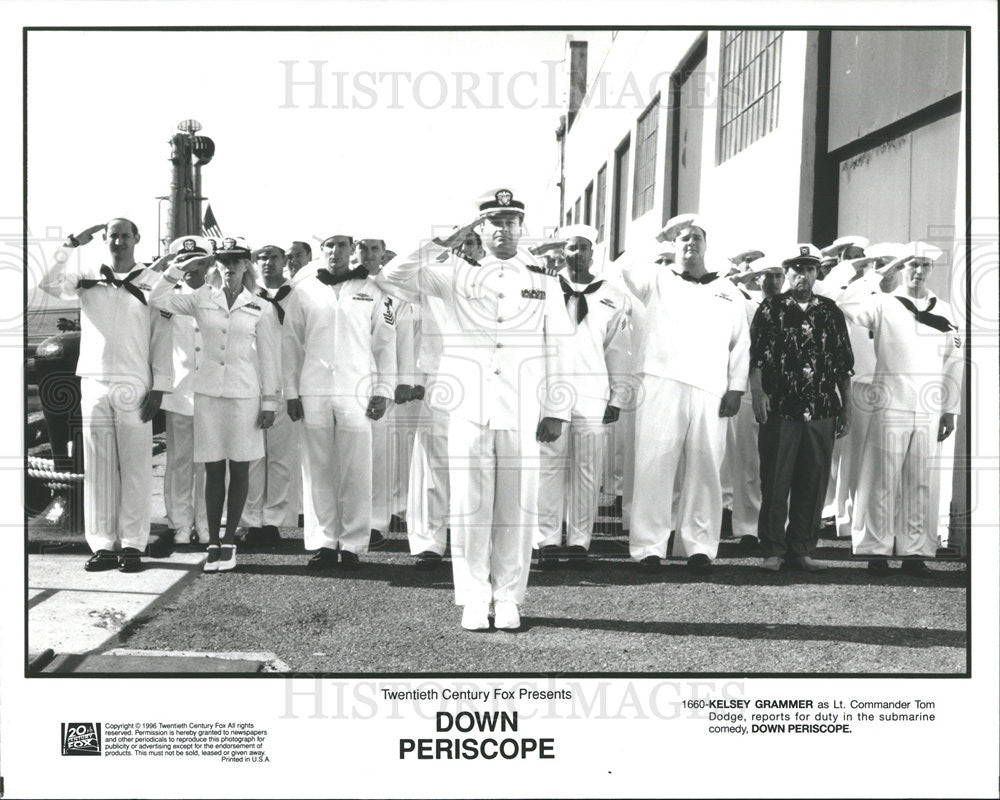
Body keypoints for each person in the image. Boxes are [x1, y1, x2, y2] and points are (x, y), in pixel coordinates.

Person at [375, 188, 574, 631]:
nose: (504, 229)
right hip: (469, 403)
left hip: (522, 404)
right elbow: (390, 276)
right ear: (479, 228)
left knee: (517, 506)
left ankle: (508, 597)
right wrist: (443, 242)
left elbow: (560, 343)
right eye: (495, 221)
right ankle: (472, 595)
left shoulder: (541, 277)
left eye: (512, 221)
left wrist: (558, 406)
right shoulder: (451, 273)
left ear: (521, 228)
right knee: (469, 504)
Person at [38, 219, 172, 573]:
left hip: (135, 381)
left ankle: (132, 544)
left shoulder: (153, 281)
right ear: (106, 240)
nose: (118, 241)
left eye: (125, 235)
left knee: (136, 466)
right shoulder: (88, 278)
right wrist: (69, 243)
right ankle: (103, 545)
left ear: (136, 239)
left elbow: (162, 337)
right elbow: (47, 283)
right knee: (98, 468)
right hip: (94, 380)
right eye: (113, 235)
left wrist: (159, 387)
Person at [622, 213, 749, 575]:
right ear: (673, 247)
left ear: (707, 245)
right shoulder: (657, 279)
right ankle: (649, 546)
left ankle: (699, 547)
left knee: (706, 468)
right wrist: (657, 237)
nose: (690, 243)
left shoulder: (727, 289)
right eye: (683, 239)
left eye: (696, 238)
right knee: (654, 463)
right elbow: (625, 266)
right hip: (662, 382)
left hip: (711, 389)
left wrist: (736, 388)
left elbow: (741, 343)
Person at [150, 237, 281, 573]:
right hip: (207, 394)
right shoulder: (200, 298)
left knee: (239, 469)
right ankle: (211, 542)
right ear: (216, 263)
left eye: (236, 259)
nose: (230, 265)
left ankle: (229, 541)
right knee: (212, 469)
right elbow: (157, 297)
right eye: (223, 259)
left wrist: (269, 401)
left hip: (244, 395)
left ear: (246, 264)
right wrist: (181, 266)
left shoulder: (260, 305)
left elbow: (269, 358)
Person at [833, 241, 963, 576]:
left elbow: (954, 362)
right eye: (911, 265)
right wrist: (878, 274)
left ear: (931, 269)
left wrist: (950, 408)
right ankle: (875, 549)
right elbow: (845, 303)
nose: (918, 271)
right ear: (902, 269)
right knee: (881, 478)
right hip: (890, 402)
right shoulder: (883, 303)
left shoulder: (947, 311)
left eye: (924, 265)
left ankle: (915, 550)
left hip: (928, 407)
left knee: (920, 481)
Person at [282, 233, 396, 570]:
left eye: (342, 245)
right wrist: (290, 392)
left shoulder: (373, 290)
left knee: (356, 469)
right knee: (318, 469)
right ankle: (324, 542)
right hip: (314, 389)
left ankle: (352, 544)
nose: (335, 252)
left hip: (356, 389)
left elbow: (385, 344)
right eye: (329, 246)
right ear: (322, 251)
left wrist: (383, 390)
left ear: (352, 249)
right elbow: (290, 344)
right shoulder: (304, 290)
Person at [749, 244, 854, 572]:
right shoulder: (770, 308)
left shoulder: (830, 311)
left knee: (813, 481)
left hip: (822, 408)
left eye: (809, 269)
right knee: (776, 481)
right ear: (787, 272)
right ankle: (773, 550)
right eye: (796, 269)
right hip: (781, 408)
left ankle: (802, 549)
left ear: (817, 273)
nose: (803, 275)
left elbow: (843, 364)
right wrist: (757, 393)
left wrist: (847, 406)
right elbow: (754, 359)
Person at [534, 224, 632, 569]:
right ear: (563, 251)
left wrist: (617, 396)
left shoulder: (611, 294)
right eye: (571, 248)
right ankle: (545, 539)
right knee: (547, 467)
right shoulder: (543, 288)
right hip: (549, 392)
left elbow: (618, 349)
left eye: (583, 248)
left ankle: (579, 541)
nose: (577, 254)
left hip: (593, 393)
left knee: (588, 471)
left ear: (594, 252)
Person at [240, 245, 301, 545]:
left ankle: (274, 520)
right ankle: (251, 520)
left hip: (288, 382)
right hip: (253, 382)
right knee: (253, 456)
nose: (267, 263)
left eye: (274, 257)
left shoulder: (299, 293)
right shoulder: (247, 296)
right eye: (261, 258)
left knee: (281, 457)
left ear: (285, 262)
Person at [156, 235, 214, 546]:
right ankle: (179, 524)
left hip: (212, 393)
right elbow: (153, 297)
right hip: (178, 391)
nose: (191, 268)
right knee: (179, 462)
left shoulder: (219, 295)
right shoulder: (167, 296)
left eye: (198, 262)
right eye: (184, 261)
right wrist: (172, 271)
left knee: (209, 463)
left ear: (209, 264)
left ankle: (206, 524)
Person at [723, 253, 782, 548]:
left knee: (780, 463)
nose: (772, 282)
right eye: (766, 276)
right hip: (749, 389)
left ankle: (774, 526)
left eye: (777, 275)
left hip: (783, 394)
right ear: (755, 279)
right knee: (748, 462)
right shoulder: (743, 304)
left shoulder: (792, 307)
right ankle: (747, 527)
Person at [355, 236, 408, 548]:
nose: (369, 254)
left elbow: (392, 341)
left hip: (386, 381)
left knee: (380, 456)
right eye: (363, 249)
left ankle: (376, 522)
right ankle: (352, 521)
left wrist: (394, 384)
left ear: (385, 254)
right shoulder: (350, 286)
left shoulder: (394, 288)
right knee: (354, 458)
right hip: (354, 381)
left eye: (375, 249)